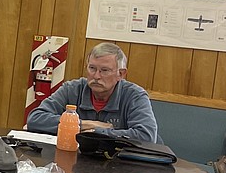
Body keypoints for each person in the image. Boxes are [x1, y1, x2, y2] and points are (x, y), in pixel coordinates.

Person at [26, 42, 157, 142]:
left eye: (104, 70)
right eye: (92, 68)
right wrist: (83, 124)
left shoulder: (135, 96)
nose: (96, 76)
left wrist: (95, 132)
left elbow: (146, 136)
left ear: (121, 74)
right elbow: (35, 119)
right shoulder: (72, 89)